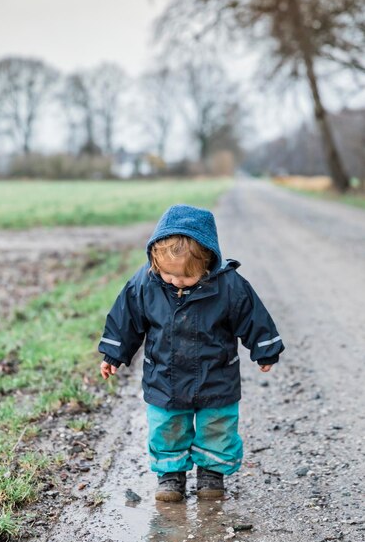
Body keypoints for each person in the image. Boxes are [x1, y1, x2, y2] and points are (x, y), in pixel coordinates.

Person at [98, 204, 285, 502]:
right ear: (155, 261)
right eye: (169, 275)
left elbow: (253, 316)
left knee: (218, 425)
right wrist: (113, 354)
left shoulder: (229, 285)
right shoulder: (145, 283)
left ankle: (212, 473)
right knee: (167, 426)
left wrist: (265, 349)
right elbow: (126, 320)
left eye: (185, 278)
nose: (176, 282)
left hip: (217, 375)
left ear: (208, 261)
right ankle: (170, 475)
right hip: (165, 376)